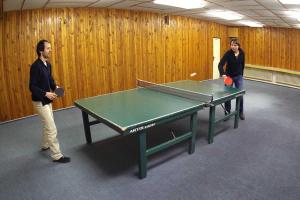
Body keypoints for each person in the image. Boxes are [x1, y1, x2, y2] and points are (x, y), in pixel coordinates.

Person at [29, 40, 70, 163]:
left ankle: (45, 145)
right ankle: (57, 156)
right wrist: (45, 93)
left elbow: (51, 81)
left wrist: (56, 88)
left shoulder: (48, 64)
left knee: (48, 124)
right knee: (52, 128)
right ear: (41, 51)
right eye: (48, 48)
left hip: (47, 101)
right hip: (40, 102)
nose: (50, 50)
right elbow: (32, 86)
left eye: (50, 48)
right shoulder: (35, 66)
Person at [218, 38, 245, 120]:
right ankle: (227, 112)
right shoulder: (228, 54)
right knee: (227, 95)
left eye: (235, 45)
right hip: (228, 77)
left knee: (240, 94)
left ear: (238, 46)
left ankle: (240, 112)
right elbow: (220, 65)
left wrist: (241, 75)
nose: (233, 47)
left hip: (238, 76)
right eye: (232, 45)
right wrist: (223, 74)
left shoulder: (242, 53)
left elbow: (242, 64)